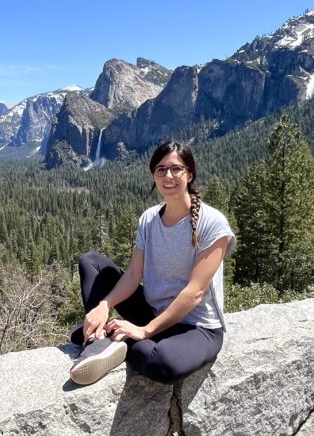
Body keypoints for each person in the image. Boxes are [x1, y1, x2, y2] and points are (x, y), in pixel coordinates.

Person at [68, 140, 235, 386]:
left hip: (196, 327)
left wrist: (144, 331)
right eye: (161, 169)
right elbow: (134, 274)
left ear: (189, 174)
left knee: (162, 364)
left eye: (176, 169)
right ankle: (98, 337)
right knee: (91, 262)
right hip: (152, 312)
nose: (168, 175)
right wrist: (104, 305)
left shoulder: (212, 223)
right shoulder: (149, 218)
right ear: (154, 176)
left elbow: (195, 292)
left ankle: (121, 340)